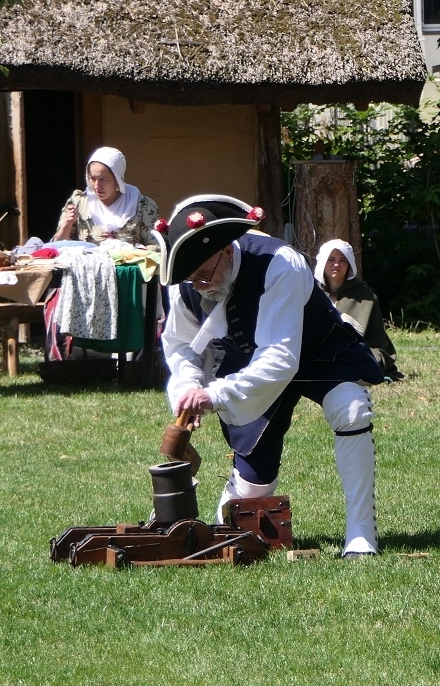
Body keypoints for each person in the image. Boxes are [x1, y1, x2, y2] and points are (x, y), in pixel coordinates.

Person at [156, 195, 385, 557]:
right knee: (252, 488)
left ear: (226, 251)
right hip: (250, 367)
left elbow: (280, 357)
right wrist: (187, 386)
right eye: (190, 278)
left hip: (319, 353)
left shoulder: (280, 264)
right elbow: (181, 345)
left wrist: (214, 395)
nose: (198, 285)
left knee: (351, 408)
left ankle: (361, 534)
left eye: (204, 275)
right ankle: (228, 517)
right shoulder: (185, 284)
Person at [314, 239, 404, 381]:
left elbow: (376, 340)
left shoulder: (365, 295)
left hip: (357, 352)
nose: (336, 264)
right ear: (322, 262)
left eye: (342, 260)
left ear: (349, 264)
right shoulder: (312, 293)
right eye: (331, 259)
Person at [51, 147, 160, 248]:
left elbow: (157, 247)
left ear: (117, 180)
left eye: (103, 180)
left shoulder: (142, 206)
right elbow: (57, 246)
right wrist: (67, 225)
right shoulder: (79, 203)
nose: (96, 186)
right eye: (93, 179)